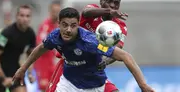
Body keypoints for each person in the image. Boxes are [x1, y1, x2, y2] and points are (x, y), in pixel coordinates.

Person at [13, 7, 155, 92]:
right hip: (69, 84)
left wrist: (142, 85)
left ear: (78, 25)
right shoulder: (55, 36)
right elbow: (41, 49)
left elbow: (125, 56)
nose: (68, 30)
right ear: (59, 24)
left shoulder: (91, 41)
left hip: (94, 86)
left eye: (73, 25)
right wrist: (23, 69)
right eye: (65, 25)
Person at [46, 0, 128, 92]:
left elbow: (118, 49)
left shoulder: (120, 26)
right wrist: (109, 11)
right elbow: (86, 12)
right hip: (71, 63)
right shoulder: (92, 10)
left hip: (91, 68)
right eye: (109, 1)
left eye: (116, 3)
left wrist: (105, 62)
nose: (112, 5)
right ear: (101, 1)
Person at [0, 5, 36, 92]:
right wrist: (3, 78)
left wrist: (29, 73)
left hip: (14, 69)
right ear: (16, 16)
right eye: (22, 15)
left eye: (27, 16)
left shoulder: (31, 34)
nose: (25, 19)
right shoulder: (6, 33)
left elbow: (31, 54)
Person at [34, 0, 61, 92]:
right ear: (50, 11)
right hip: (44, 65)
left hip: (56, 65)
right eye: (54, 11)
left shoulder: (61, 26)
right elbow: (40, 45)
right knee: (45, 89)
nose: (56, 14)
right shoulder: (45, 26)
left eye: (58, 11)